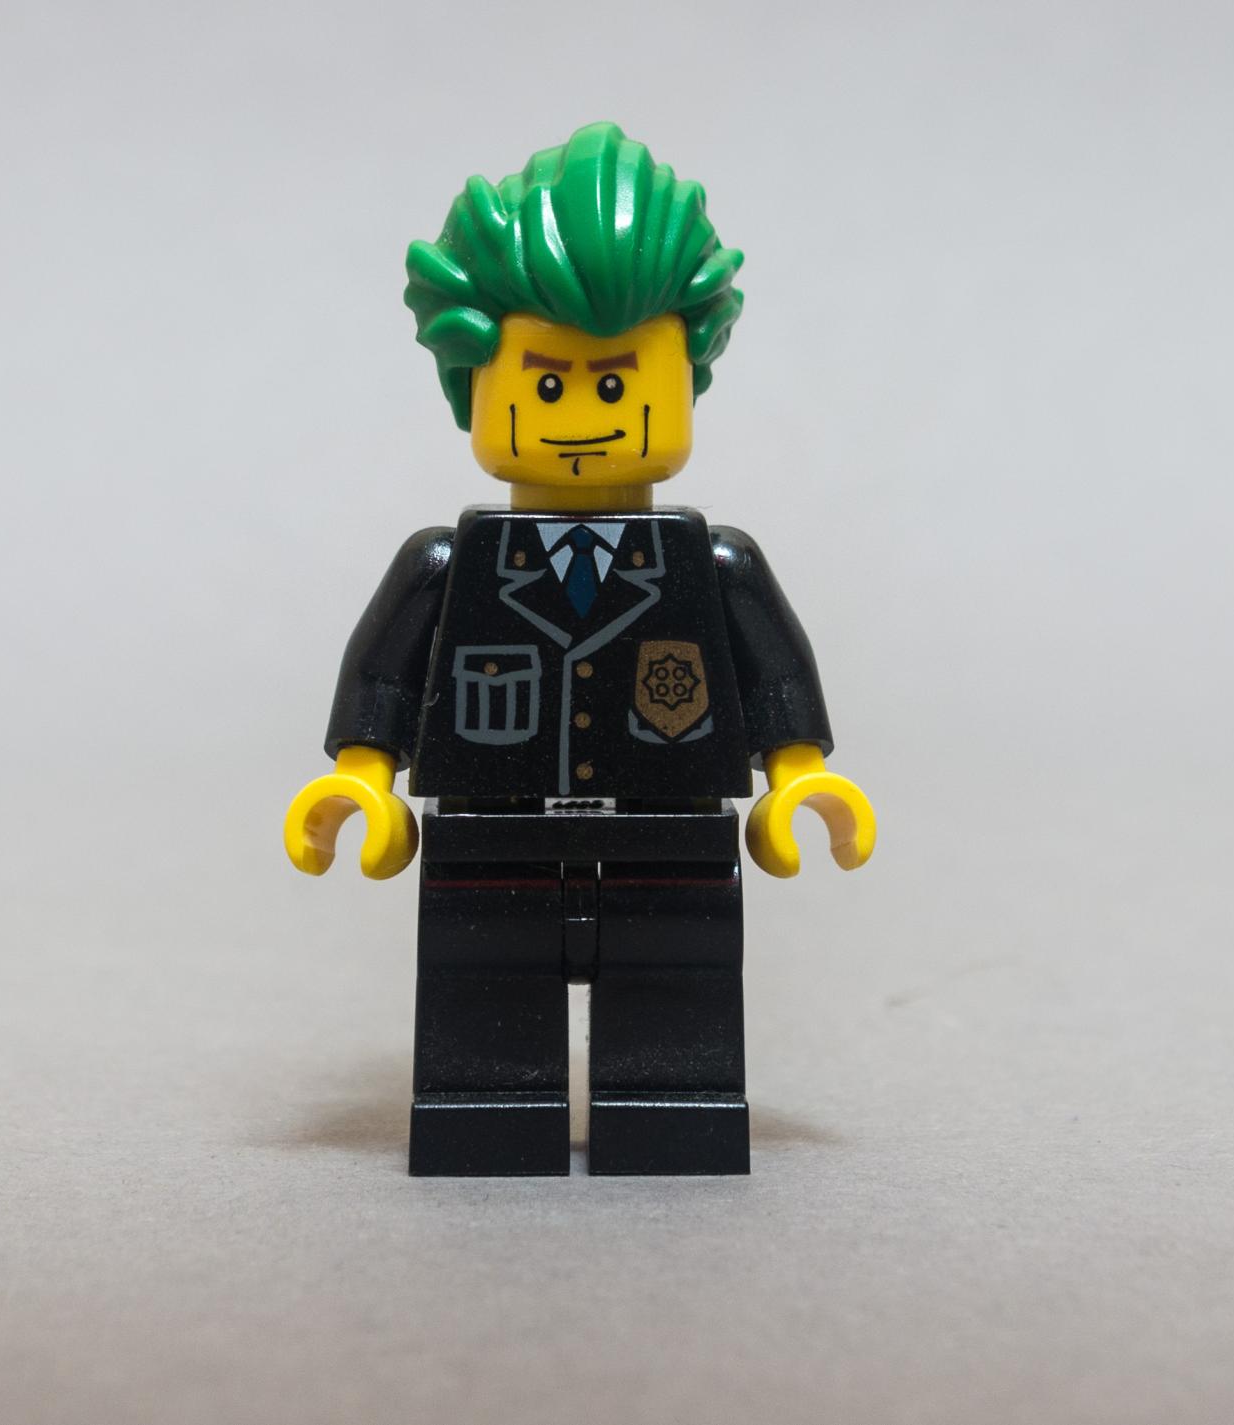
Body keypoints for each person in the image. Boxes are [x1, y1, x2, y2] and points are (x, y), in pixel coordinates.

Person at [284, 122, 876, 1176]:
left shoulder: (712, 563)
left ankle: (672, 1108)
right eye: (547, 385)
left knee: (676, 998)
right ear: (474, 384)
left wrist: (799, 778)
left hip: (670, 832)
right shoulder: (449, 564)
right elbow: (385, 673)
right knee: (481, 1002)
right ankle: (484, 1112)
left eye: (618, 384)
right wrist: (362, 779)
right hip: (489, 834)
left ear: (685, 378)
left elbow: (773, 672)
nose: (583, 415)